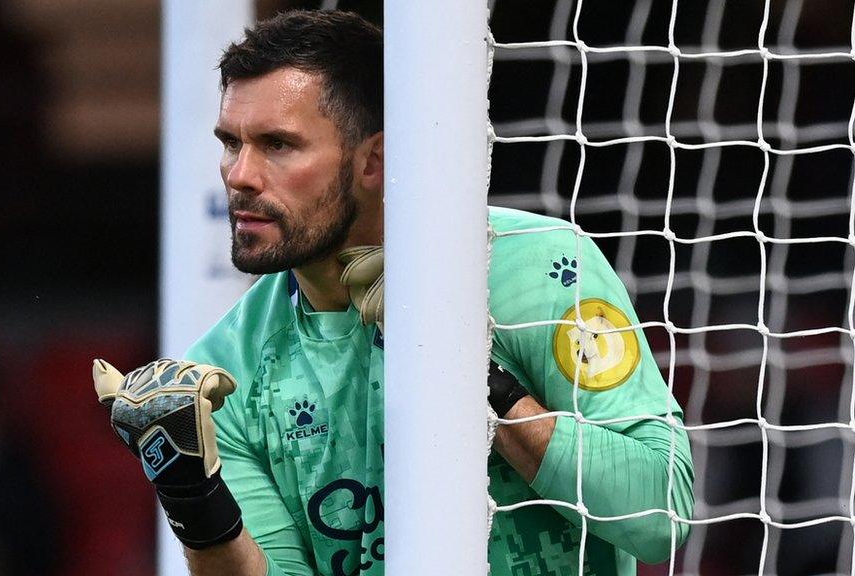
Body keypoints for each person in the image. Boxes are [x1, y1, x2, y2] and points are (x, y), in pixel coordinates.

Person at [92, 10, 695, 576]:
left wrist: (471, 377)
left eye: (278, 144)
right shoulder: (226, 371)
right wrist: (194, 499)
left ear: (374, 160)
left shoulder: (537, 268)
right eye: (230, 142)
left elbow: (657, 515)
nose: (239, 175)